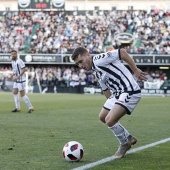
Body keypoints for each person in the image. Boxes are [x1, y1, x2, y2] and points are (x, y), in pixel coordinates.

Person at [71, 47, 147, 158]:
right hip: (117, 94)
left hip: (129, 90)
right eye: (78, 64)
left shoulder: (99, 59)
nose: (80, 66)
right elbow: (106, 90)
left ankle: (124, 144)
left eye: (81, 61)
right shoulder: (95, 71)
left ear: (88, 55)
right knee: (103, 117)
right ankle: (129, 137)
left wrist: (135, 70)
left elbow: (122, 52)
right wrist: (113, 106)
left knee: (110, 120)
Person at [11, 49, 34, 113]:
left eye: (14, 54)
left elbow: (24, 69)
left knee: (22, 94)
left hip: (21, 80)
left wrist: (18, 76)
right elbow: (15, 71)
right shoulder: (12, 62)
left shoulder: (19, 61)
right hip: (16, 80)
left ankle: (30, 107)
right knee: (15, 92)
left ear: (16, 54)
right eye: (12, 54)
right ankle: (17, 107)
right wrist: (12, 75)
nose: (13, 55)